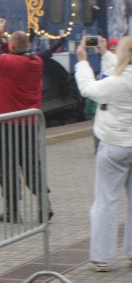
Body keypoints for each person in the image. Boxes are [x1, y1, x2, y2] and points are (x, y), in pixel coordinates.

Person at [0, 18, 52, 223]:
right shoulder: (35, 62)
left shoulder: (9, 64)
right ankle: (44, 203)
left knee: (8, 167)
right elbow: (9, 52)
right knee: (32, 166)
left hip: (8, 124)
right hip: (30, 123)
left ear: (12, 46)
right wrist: (6, 40)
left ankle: (12, 211)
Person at [74, 36, 132, 273]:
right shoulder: (120, 78)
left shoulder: (116, 82)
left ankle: (102, 257)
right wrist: (105, 52)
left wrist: (82, 62)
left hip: (113, 146)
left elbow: (89, 89)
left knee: (106, 202)